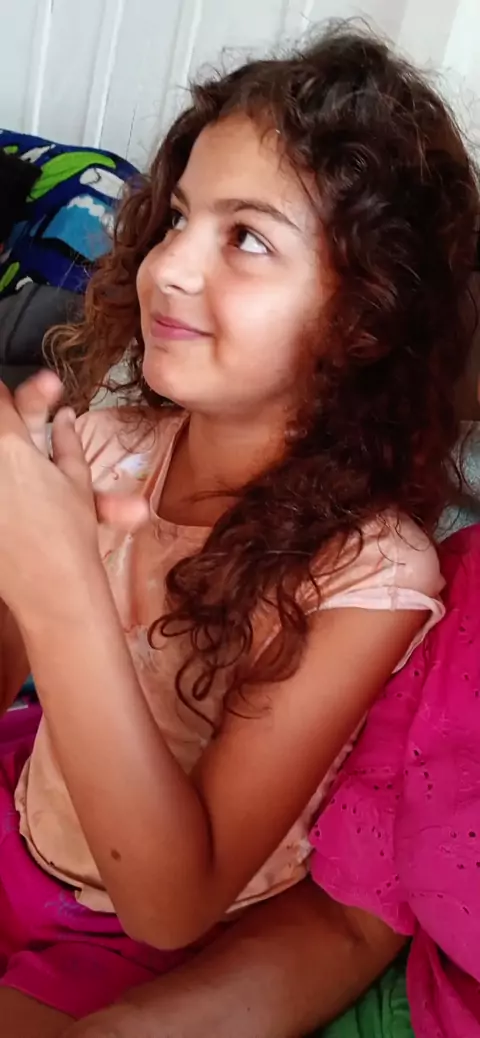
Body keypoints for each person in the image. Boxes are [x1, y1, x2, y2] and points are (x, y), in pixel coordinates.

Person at [0, 24, 476, 1037]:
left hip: (133, 943)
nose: (169, 267)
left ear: (365, 317)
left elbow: (172, 904)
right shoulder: (113, 445)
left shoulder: (367, 577)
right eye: (177, 218)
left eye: (246, 238)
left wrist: (61, 593)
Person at [63, 521, 480, 1038]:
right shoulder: (464, 590)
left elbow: (169, 906)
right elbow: (354, 917)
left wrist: (60, 606)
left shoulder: (385, 572)